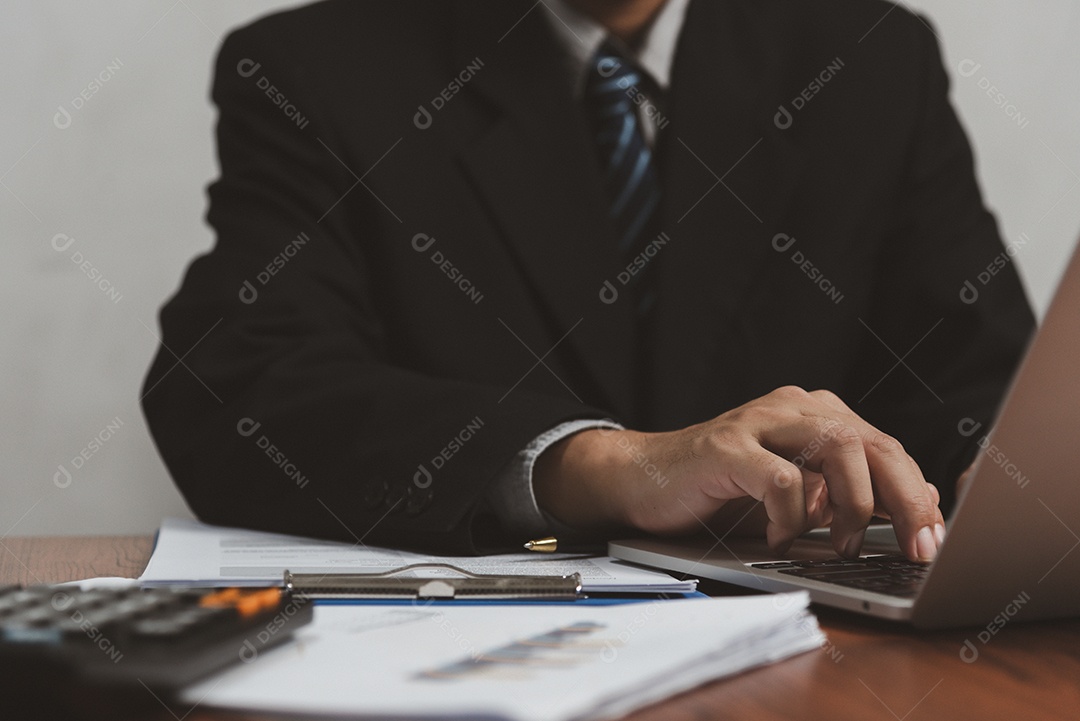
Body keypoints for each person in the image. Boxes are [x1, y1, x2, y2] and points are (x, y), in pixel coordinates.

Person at [142, 0, 1034, 562]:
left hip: (819, 650)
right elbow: (234, 386)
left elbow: (977, 392)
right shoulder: (316, 70)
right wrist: (607, 465)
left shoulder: (873, 56)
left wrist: (1014, 493)